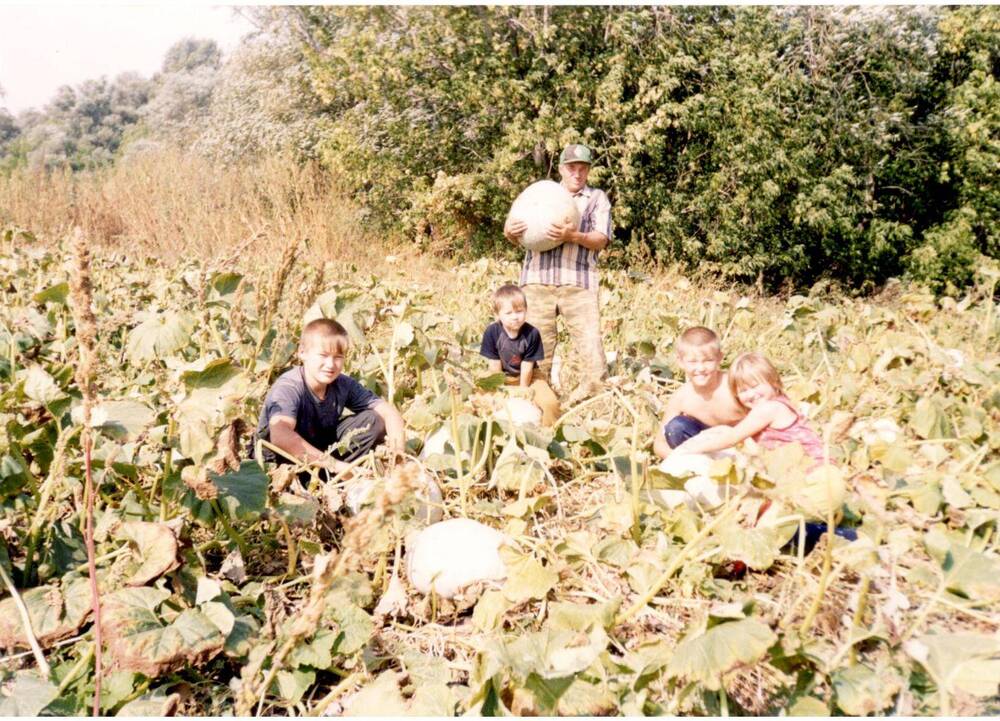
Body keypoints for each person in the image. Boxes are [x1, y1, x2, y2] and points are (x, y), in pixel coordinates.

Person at [503, 143, 612, 402]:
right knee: (536, 348)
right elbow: (516, 233)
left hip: (578, 281)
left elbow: (601, 239)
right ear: (562, 168)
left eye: (583, 168)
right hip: (537, 281)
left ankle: (596, 400)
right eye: (572, 168)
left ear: (588, 171)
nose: (577, 173)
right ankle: (540, 400)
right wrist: (509, 232)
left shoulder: (597, 199)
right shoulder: (539, 195)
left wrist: (573, 236)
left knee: (590, 345)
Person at [254, 318, 405, 476]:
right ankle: (336, 474)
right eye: (323, 355)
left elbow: (389, 412)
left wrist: (398, 454)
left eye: (338, 357)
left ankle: (334, 476)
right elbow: (280, 436)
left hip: (321, 453)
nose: (331, 364)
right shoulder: (289, 387)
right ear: (302, 353)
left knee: (374, 419)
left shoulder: (342, 384)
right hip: (284, 463)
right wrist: (337, 466)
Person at [670, 351, 826, 463]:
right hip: (797, 465)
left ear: (774, 382)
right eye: (743, 391)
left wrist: (690, 450)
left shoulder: (769, 409)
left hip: (812, 469)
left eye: (755, 386)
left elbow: (732, 438)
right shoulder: (780, 401)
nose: (751, 394)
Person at [652, 327, 745, 460]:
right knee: (675, 428)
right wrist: (683, 459)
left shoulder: (734, 386)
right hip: (700, 454)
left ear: (719, 358)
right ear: (681, 362)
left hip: (739, 448)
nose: (700, 368)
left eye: (708, 361)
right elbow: (659, 445)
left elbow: (762, 416)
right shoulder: (681, 397)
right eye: (693, 362)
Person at [480, 284, 561, 426]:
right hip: (500, 376)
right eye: (509, 313)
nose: (515, 317)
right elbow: (494, 366)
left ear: (526, 310)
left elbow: (527, 367)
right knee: (477, 394)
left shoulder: (532, 333)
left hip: (530, 376)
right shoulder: (492, 332)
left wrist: (523, 392)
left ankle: (548, 433)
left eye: (519, 311)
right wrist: (498, 390)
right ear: (497, 315)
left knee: (551, 403)